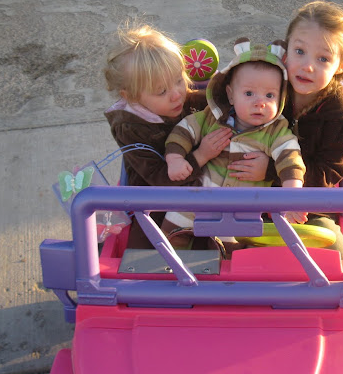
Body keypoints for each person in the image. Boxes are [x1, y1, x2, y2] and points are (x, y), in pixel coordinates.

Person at [232, 0, 343, 260]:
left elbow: (329, 173)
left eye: (323, 58)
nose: (308, 65)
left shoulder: (338, 115)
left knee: (338, 260)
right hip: (249, 197)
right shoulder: (271, 87)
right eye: (299, 51)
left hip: (307, 209)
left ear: (340, 65)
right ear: (285, 52)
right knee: (214, 243)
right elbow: (228, 100)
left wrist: (273, 171)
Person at [103, 22, 264, 246]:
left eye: (179, 79)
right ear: (130, 96)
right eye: (162, 91)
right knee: (157, 253)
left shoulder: (184, 97)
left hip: (205, 187)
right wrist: (201, 155)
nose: (177, 94)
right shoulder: (130, 128)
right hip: (157, 204)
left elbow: (221, 102)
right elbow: (158, 180)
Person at [163, 38, 306, 239]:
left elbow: (290, 158)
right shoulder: (212, 117)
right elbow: (184, 131)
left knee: (231, 254)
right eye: (249, 93)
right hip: (198, 199)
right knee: (172, 233)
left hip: (242, 210)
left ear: (281, 98)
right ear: (231, 95)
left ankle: (219, 262)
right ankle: (168, 266)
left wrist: (292, 196)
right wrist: (175, 159)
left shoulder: (276, 131)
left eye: (270, 96)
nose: (260, 103)